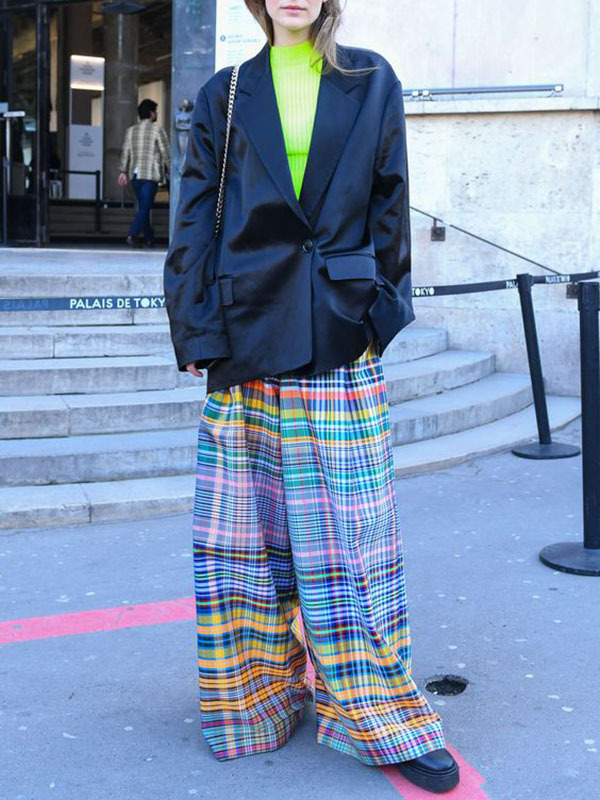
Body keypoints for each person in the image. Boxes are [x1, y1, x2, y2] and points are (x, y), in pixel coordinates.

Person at [163, 0, 460, 794]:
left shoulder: (371, 79)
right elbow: (194, 217)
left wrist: (378, 312)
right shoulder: (226, 92)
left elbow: (390, 202)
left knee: (352, 543)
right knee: (244, 545)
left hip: (338, 332)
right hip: (247, 333)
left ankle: (380, 716)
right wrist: (196, 329)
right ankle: (254, 704)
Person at [118, 98, 170, 248]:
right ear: (151, 113)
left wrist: (123, 171)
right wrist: (171, 169)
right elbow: (165, 152)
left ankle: (149, 238)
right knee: (145, 207)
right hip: (150, 174)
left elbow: (125, 152)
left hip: (135, 175)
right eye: (155, 111)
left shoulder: (131, 131)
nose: (156, 114)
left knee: (143, 206)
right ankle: (132, 234)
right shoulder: (157, 130)